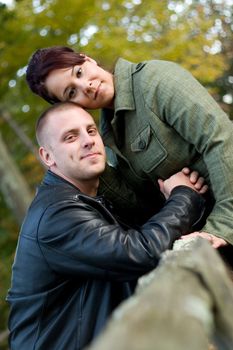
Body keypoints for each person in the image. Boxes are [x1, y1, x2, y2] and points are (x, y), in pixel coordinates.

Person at [7, 102, 207, 350]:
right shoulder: (56, 215)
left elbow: (144, 238)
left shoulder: (90, 199)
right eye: (70, 137)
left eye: (91, 131)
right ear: (48, 156)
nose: (88, 141)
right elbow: (139, 253)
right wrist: (183, 195)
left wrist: (175, 201)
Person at [25, 46, 233, 248]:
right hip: (205, 237)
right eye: (71, 92)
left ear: (87, 59)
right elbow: (143, 208)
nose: (85, 86)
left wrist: (222, 225)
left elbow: (220, 140)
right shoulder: (106, 137)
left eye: (79, 72)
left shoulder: (155, 80)